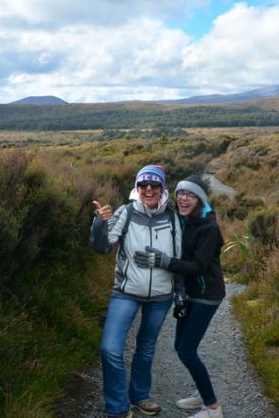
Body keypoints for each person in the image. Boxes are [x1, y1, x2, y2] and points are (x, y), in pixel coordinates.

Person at [90, 164, 185, 418]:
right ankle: (118, 408)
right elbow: (102, 247)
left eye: (155, 185)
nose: (149, 189)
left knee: (146, 347)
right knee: (110, 348)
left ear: (163, 188)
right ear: (137, 187)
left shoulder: (173, 218)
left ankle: (139, 396)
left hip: (161, 297)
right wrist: (100, 224)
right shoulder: (127, 212)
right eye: (144, 184)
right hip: (126, 292)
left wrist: (179, 293)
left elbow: (178, 260)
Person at [134, 175, 226, 418]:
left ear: (200, 200)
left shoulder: (209, 229)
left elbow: (197, 266)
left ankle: (213, 408)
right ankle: (202, 393)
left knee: (186, 350)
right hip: (191, 293)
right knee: (180, 346)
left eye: (191, 195)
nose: (184, 198)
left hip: (207, 294)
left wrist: (165, 262)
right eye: (181, 193)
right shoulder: (184, 220)